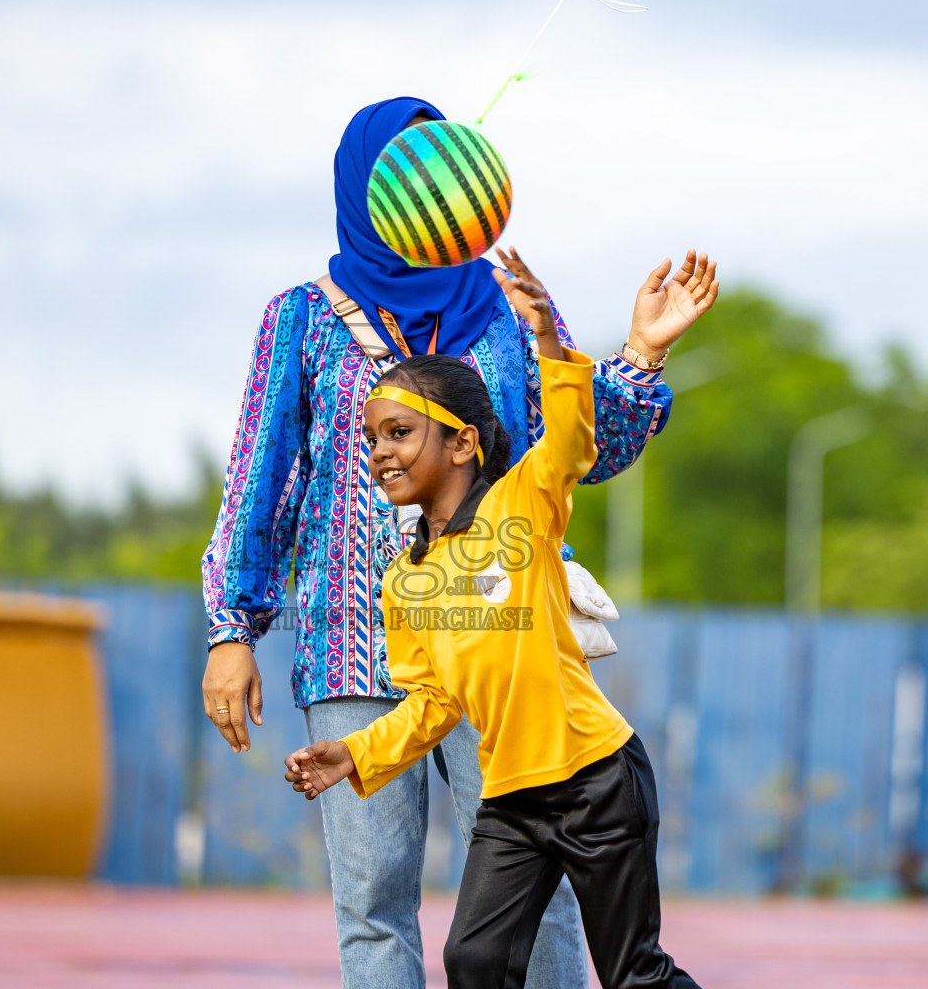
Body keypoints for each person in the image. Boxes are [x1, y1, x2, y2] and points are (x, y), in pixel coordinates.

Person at [201, 94, 716, 989]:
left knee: (545, 901)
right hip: (352, 651)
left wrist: (641, 352)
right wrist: (231, 632)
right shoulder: (302, 320)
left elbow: (581, 447)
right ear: (364, 187)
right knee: (373, 908)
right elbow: (262, 483)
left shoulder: (506, 312)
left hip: (502, 652)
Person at [284, 261, 708, 989]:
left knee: (635, 974)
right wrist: (356, 754)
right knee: (474, 961)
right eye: (373, 438)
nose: (380, 452)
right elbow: (432, 704)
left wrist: (546, 336)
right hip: (512, 802)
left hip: (595, 779)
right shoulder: (405, 579)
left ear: (462, 444)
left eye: (399, 432)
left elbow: (574, 440)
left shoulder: (524, 502)